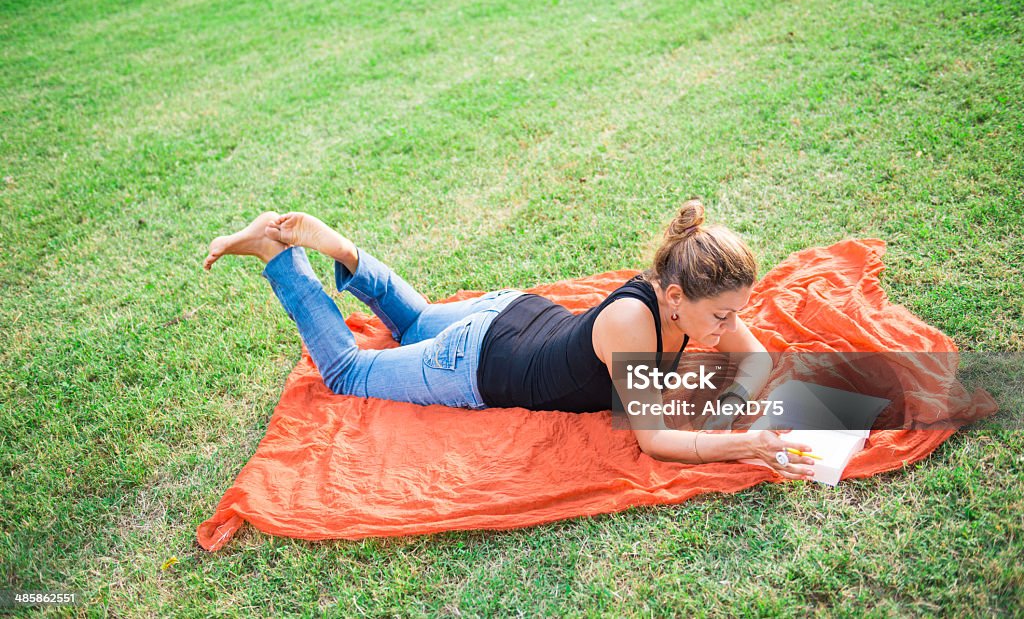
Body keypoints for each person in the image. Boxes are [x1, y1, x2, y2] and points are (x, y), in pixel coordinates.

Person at [203, 200, 815, 480]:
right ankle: (278, 255)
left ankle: (346, 252)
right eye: (722, 316)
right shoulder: (635, 324)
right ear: (676, 296)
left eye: (737, 312)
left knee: (414, 325)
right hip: (476, 360)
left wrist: (737, 408)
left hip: (515, 314)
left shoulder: (690, 292)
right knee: (347, 375)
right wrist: (738, 445)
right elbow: (653, 441)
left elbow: (754, 358)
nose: (728, 327)